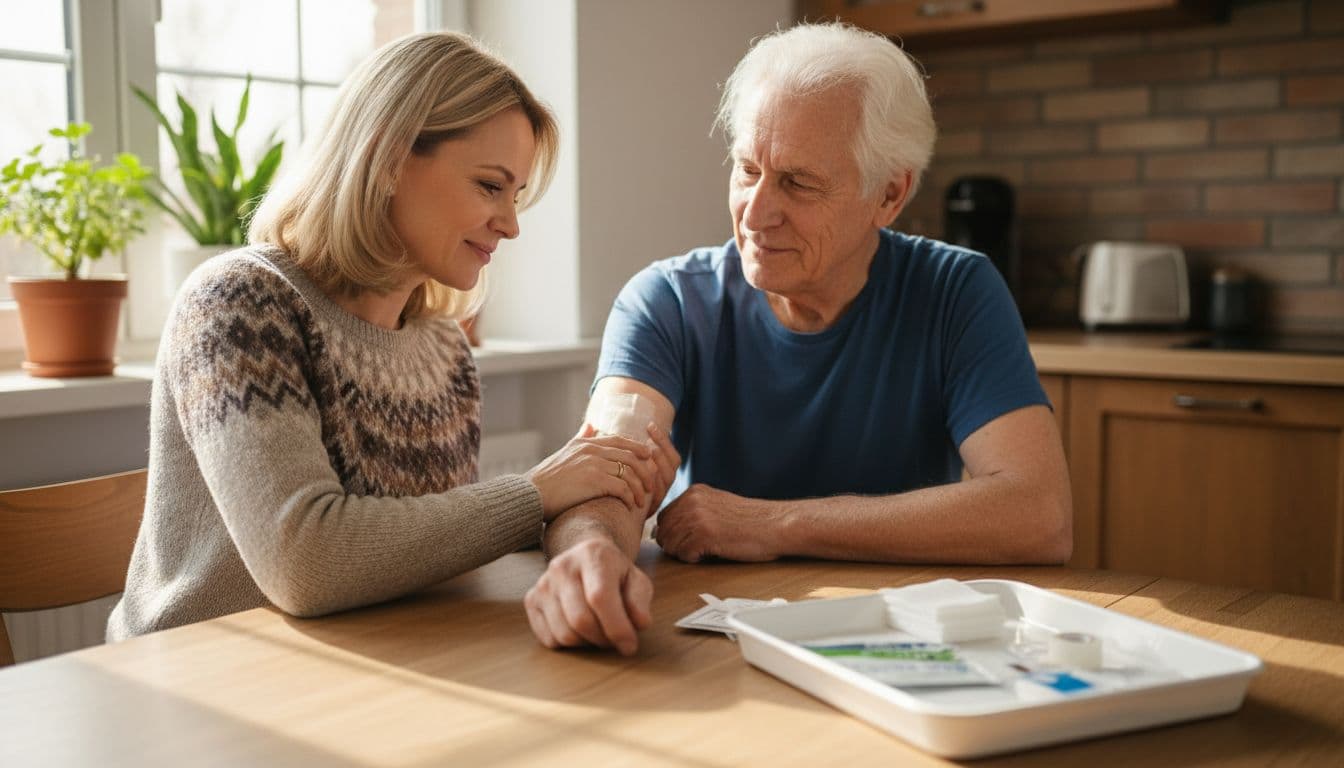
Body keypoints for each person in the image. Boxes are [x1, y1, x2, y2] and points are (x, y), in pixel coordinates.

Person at [524, 22, 1073, 656]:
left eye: (799, 183)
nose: (755, 214)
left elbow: (1040, 515)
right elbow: (608, 470)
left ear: (889, 194)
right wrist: (591, 555)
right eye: (747, 169)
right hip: (713, 639)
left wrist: (774, 523)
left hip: (898, 637)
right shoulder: (668, 299)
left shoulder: (957, 291)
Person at [107, 32, 664, 640]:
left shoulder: (443, 351)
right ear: (391, 158)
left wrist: (596, 496)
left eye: (516, 195)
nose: (509, 224)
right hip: (200, 688)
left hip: (366, 666)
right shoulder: (239, 303)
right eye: (489, 185)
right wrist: (537, 493)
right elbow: (305, 564)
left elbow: (425, 544)